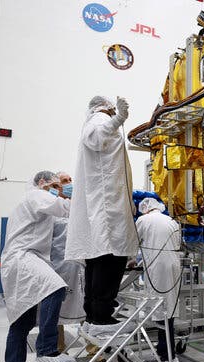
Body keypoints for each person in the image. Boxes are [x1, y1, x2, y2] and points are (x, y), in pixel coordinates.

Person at [66, 96, 138, 337]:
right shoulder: (99, 120)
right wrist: (118, 119)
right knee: (110, 261)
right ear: (106, 107)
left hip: (106, 210)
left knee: (97, 262)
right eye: (111, 109)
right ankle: (101, 317)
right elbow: (97, 138)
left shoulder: (94, 121)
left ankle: (94, 315)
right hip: (108, 211)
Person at [1, 171, 74, 362]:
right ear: (41, 183)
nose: (56, 189)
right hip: (24, 257)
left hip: (18, 261)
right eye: (53, 185)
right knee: (56, 286)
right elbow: (65, 209)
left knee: (21, 323)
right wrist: (72, 194)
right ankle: (47, 350)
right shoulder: (35, 195)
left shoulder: (33, 202)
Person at [135, 197, 181, 362]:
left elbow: (133, 243)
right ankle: (163, 350)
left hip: (157, 268)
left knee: (161, 311)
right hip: (173, 266)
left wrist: (133, 260)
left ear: (145, 209)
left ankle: (167, 357)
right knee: (168, 309)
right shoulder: (171, 220)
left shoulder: (143, 220)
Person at [50, 172, 85, 352]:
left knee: (86, 306)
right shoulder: (52, 211)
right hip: (58, 267)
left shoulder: (78, 208)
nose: (70, 183)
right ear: (57, 187)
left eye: (71, 180)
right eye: (65, 181)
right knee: (57, 310)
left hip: (79, 265)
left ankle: (94, 350)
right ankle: (59, 348)